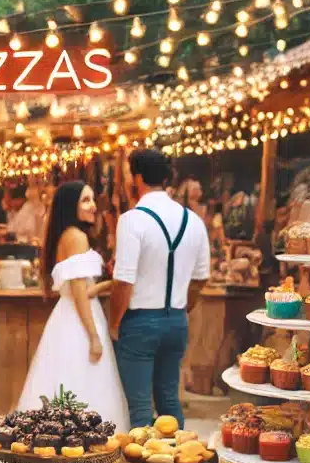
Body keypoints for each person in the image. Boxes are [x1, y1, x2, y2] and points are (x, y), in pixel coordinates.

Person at [108, 149, 211, 429]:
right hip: (176, 321)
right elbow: (202, 278)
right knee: (168, 401)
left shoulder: (132, 220)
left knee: (139, 408)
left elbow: (124, 281)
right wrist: (183, 306)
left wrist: (114, 324)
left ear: (137, 178)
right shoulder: (194, 222)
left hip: (139, 322)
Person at [18, 182, 128, 428]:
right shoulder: (76, 237)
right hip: (80, 319)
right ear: (71, 206)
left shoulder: (68, 235)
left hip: (71, 313)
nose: (92, 207)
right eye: (85, 201)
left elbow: (83, 288)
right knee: (83, 380)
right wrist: (93, 336)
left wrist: (107, 284)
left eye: (92, 200)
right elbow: (79, 290)